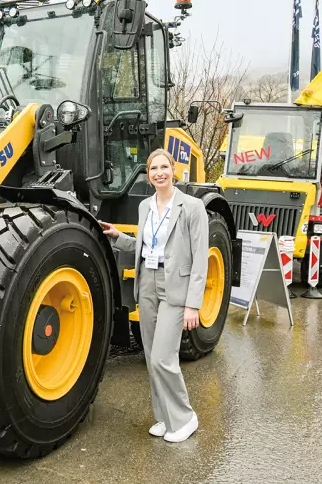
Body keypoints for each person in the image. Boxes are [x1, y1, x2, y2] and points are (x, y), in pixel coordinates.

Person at [100, 148, 209, 443]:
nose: (159, 173)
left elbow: (200, 258)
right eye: (153, 169)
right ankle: (164, 416)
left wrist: (193, 305)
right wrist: (118, 238)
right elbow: (146, 246)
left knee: (163, 356)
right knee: (151, 356)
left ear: (173, 170)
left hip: (176, 286)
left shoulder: (192, 207)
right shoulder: (145, 206)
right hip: (147, 282)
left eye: (164, 167)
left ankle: (185, 418)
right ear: (148, 176)